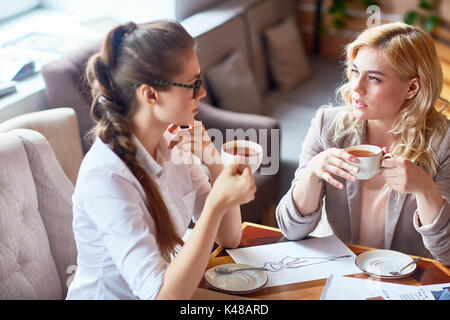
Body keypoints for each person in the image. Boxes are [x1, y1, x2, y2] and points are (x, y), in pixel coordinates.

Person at [66, 20, 256, 300]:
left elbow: (229, 237)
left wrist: (214, 161)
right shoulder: (106, 177)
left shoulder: (174, 144)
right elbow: (161, 296)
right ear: (150, 94)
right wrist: (216, 203)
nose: (202, 93)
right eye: (193, 84)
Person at [276, 22, 449, 266]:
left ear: (412, 88)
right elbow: (290, 229)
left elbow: (447, 253)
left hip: (407, 282)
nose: (356, 87)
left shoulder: (444, 141)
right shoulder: (327, 125)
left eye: (374, 79)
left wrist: (425, 189)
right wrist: (313, 172)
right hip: (340, 273)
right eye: (355, 71)